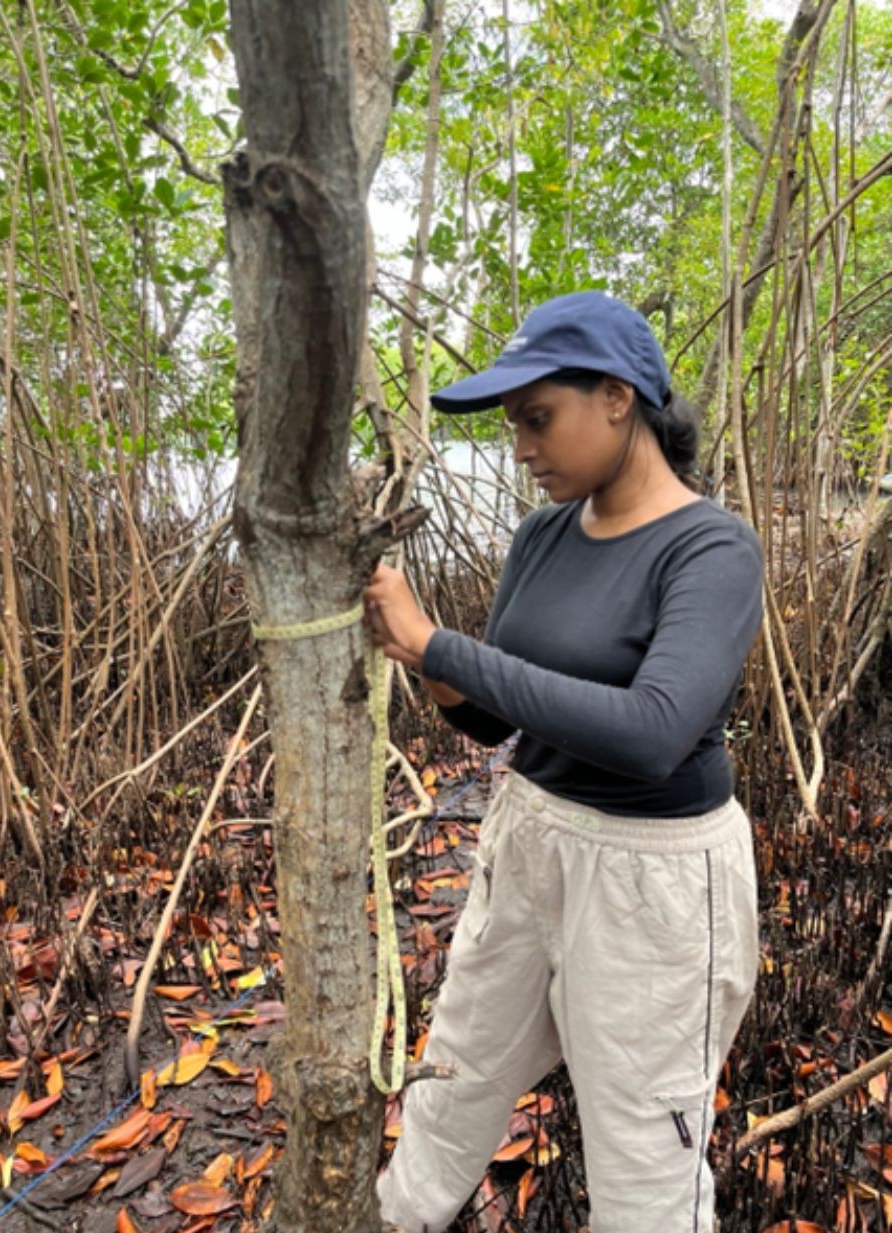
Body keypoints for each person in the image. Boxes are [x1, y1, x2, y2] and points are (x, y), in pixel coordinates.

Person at [363, 291, 763, 1233]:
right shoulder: (544, 532)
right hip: (529, 838)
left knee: (641, 1137)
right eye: (512, 427)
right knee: (454, 1073)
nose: (522, 447)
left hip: (656, 878)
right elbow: (491, 718)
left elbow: (654, 728)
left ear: (619, 398)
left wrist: (440, 647)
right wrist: (416, 652)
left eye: (539, 418)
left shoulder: (710, 548)